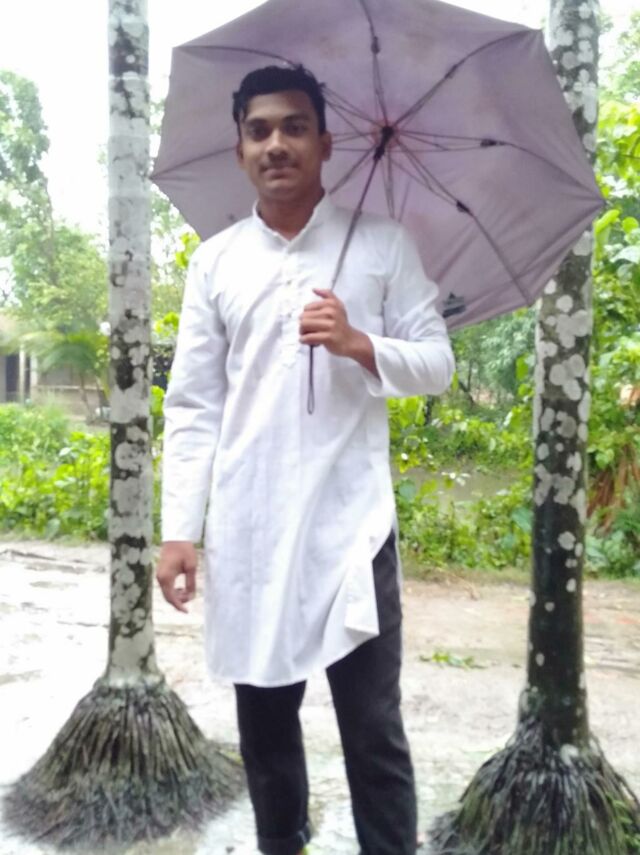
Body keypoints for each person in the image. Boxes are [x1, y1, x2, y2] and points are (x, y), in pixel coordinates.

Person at [156, 64, 454, 855]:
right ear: (239, 149)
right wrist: (180, 530)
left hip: (352, 532)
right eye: (259, 130)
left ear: (326, 143)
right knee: (265, 727)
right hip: (251, 527)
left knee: (373, 730)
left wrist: (359, 343)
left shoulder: (382, 245)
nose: (276, 144)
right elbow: (194, 404)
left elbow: (438, 363)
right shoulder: (215, 262)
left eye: (294, 127)